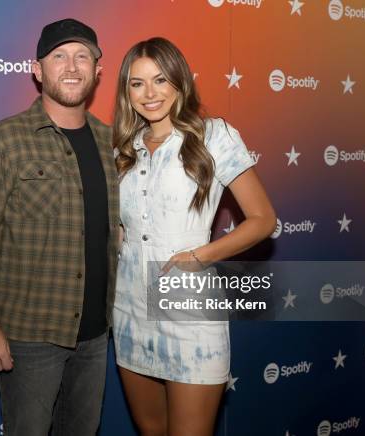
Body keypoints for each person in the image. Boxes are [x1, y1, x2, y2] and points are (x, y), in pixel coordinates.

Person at [0, 18, 119, 436]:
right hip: (29, 338)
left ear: (99, 71)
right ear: (37, 69)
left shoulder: (111, 142)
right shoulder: (3, 141)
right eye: (59, 56)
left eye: (83, 56)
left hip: (96, 336)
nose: (72, 66)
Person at [112, 37, 276, 436]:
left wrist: (201, 256)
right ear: (126, 91)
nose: (150, 93)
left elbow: (262, 219)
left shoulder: (213, 136)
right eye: (137, 83)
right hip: (130, 309)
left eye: (160, 80)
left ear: (180, 82)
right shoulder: (122, 148)